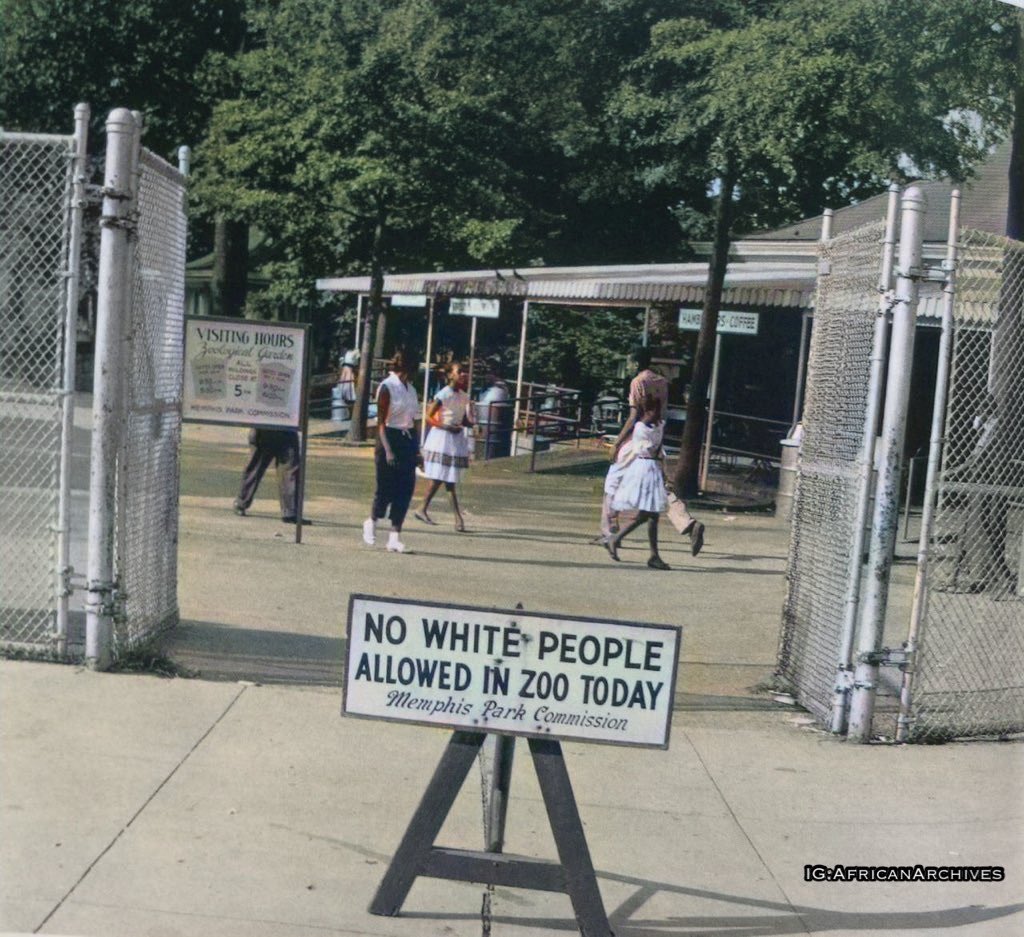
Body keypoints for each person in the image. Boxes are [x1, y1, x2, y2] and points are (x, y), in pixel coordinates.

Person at [601, 346, 705, 557]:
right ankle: (678, 530)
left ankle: (611, 532)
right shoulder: (661, 382)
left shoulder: (637, 382)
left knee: (614, 482)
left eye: (630, 361)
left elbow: (633, 416)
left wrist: (617, 442)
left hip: (638, 440)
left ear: (636, 362)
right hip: (656, 433)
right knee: (658, 494)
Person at [363, 349, 420, 553]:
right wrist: (387, 450)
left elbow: (413, 422)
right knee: (385, 488)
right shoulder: (387, 387)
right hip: (388, 436)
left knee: (405, 489)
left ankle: (395, 536)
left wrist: (417, 450)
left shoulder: (411, 390)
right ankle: (372, 520)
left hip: (406, 439)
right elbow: (380, 422)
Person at [605, 393, 670, 570]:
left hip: (654, 469)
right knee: (649, 514)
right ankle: (649, 553)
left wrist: (664, 471)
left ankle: (652, 554)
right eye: (653, 410)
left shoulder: (660, 425)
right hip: (644, 469)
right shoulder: (640, 427)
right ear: (646, 411)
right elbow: (647, 449)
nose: (656, 413)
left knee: (651, 515)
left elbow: (659, 449)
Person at [415, 362, 473, 530]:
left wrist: (470, 423)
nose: (463, 375)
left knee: (444, 478)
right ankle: (457, 518)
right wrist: (445, 426)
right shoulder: (443, 394)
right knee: (447, 478)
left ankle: (423, 508)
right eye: (459, 372)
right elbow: (429, 416)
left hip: (455, 438)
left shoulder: (463, 396)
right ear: (450, 375)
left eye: (464, 372)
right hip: (442, 437)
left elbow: (461, 418)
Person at [233, 428, 308, 524]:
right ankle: (241, 503)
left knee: (290, 471)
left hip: (288, 427)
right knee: (256, 467)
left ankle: (290, 512)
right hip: (266, 426)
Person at [475, 368, 512, 459]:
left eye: (488, 374)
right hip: (487, 419)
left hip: (491, 417)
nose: (486, 377)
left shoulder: (499, 388)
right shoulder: (492, 387)